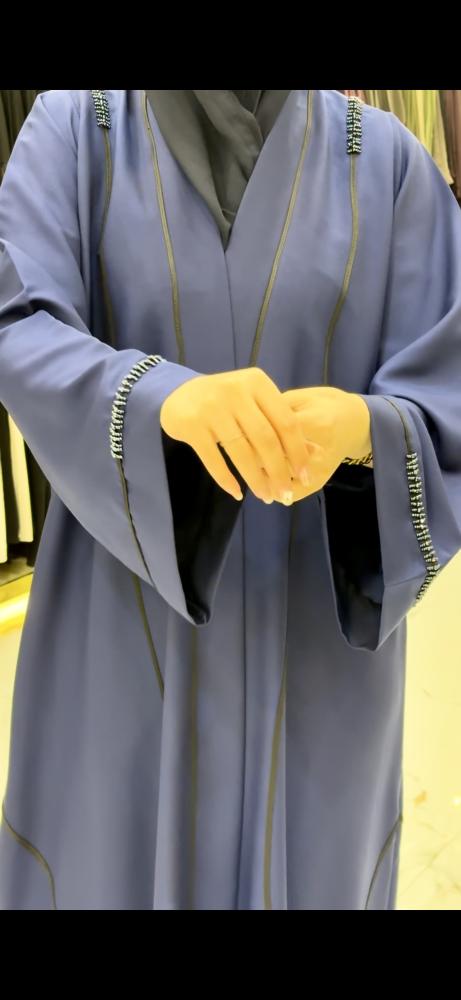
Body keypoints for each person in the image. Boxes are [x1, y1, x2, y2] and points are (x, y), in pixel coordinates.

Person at [0, 89, 460, 910]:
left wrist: (366, 430)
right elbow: (17, 322)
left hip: (314, 645)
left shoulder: (384, 163)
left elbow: (448, 382)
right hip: (119, 632)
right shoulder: (78, 131)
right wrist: (156, 400)